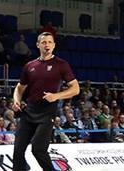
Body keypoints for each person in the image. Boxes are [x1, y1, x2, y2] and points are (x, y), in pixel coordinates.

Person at [11, 32, 79, 171]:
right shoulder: (30, 65)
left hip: (47, 113)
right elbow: (19, 88)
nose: (46, 45)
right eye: (43, 42)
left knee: (38, 149)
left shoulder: (61, 64)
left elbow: (75, 89)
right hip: (28, 112)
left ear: (54, 45)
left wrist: (56, 96)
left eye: (49, 42)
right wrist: (16, 101)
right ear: (38, 45)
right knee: (17, 151)